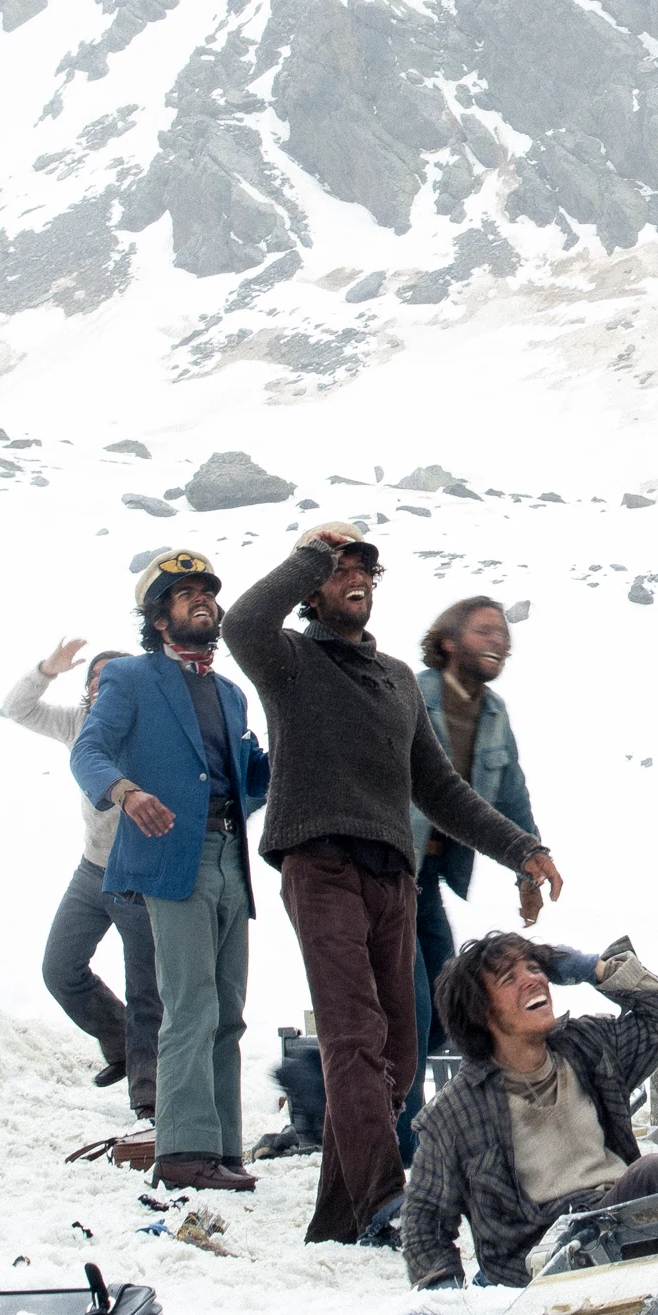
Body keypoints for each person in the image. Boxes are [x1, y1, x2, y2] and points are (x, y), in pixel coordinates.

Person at [227, 525, 563, 1244]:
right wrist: (312, 553)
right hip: (320, 864)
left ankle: (340, 1219)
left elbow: (440, 788)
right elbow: (243, 620)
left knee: (401, 1052)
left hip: (393, 874)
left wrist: (520, 848)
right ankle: (386, 1200)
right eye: (342, 569)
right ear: (313, 588)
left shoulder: (393, 681)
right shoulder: (287, 659)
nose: (358, 579)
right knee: (354, 1038)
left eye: (368, 571)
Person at [73, 550, 276, 1191]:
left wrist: (282, 762)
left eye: (206, 594)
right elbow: (89, 750)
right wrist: (128, 794)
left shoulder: (231, 692)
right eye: (185, 595)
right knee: (190, 1003)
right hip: (169, 859)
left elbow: (247, 782)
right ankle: (183, 1153)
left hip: (229, 857)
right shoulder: (131, 678)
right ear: (159, 619)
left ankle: (223, 1149)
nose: (202, 602)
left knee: (230, 1010)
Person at [402, 934, 658, 1289]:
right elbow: (424, 1221)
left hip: (625, 1217)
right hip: (551, 1255)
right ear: (480, 1011)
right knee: (655, 1172)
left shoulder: (587, 1047)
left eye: (535, 968)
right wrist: (445, 1291)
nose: (534, 979)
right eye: (509, 979)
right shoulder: (454, 1112)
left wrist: (594, 969)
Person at [0, 635, 160, 1121]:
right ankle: (122, 1044)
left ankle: (150, 1096)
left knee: (147, 991)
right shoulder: (78, 723)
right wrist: (48, 668)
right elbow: (16, 709)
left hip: (139, 876)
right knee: (61, 969)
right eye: (94, 678)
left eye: (111, 678)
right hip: (92, 870)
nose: (100, 685)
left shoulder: (151, 727)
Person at [405, 596, 537, 1147]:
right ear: (448, 641)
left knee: (444, 1003)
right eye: (484, 631)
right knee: (408, 1002)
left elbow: (511, 796)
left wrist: (528, 864)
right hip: (390, 867)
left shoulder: (494, 713)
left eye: (503, 634)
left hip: (431, 875)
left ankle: (323, 1090)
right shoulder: (408, 693)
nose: (499, 642)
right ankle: (403, 1139)